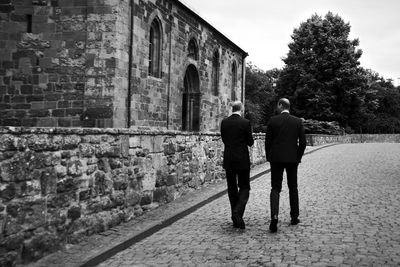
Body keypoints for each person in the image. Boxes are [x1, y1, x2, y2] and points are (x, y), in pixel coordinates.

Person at [265, 98, 306, 233]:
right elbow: (303, 143)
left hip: (276, 159)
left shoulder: (273, 121)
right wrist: (297, 157)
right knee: (293, 187)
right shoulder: (297, 121)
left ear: (281, 105)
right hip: (292, 159)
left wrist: (269, 157)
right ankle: (294, 216)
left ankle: (274, 217)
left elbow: (268, 142)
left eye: (277, 105)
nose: (276, 107)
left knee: (275, 188)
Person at [221, 101, 254, 229]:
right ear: (241, 109)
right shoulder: (245, 123)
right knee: (245, 186)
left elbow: (224, 139)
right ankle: (238, 212)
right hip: (242, 159)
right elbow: (250, 142)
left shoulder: (224, 122)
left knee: (232, 188)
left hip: (229, 159)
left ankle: (235, 218)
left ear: (232, 109)